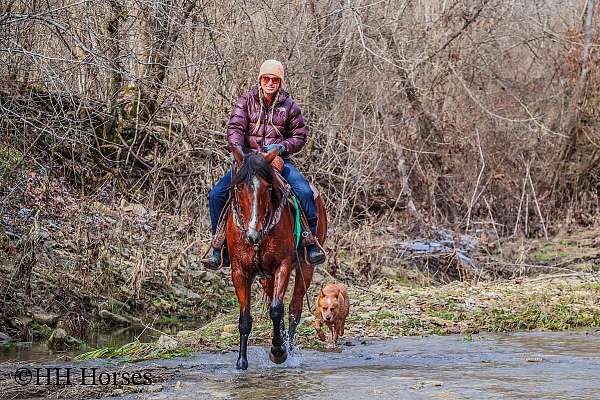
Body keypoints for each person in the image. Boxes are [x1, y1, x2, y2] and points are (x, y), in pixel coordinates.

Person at [204, 59, 326, 269]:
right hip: (248, 161)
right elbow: (235, 128)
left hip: (276, 161)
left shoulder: (290, 107)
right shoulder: (246, 101)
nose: (270, 82)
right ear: (260, 79)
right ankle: (219, 247)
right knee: (216, 195)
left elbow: (299, 136)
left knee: (305, 192)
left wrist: (281, 148)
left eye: (274, 79)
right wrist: (238, 151)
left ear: (280, 82)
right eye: (266, 78)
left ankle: (309, 241)